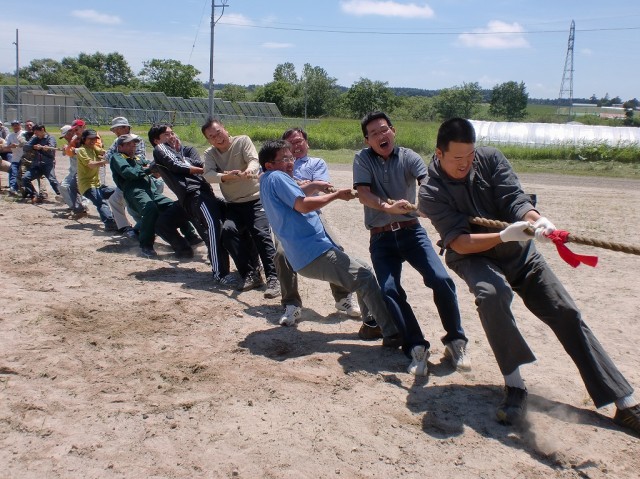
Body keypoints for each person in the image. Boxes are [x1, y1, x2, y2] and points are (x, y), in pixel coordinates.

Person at [418, 117, 640, 432]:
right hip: (472, 254)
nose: (466, 164)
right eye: (457, 159)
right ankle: (515, 387)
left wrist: (537, 220)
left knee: (565, 310)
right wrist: (502, 236)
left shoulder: (491, 159)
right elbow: (459, 241)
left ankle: (624, 400)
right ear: (439, 154)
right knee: (492, 294)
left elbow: (514, 199)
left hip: (519, 252)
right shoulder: (430, 191)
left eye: (470, 157)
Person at [353, 111, 469, 376]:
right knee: (390, 290)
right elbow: (363, 194)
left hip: (411, 232)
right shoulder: (362, 159)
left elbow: (425, 181)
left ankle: (455, 341)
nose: (381, 136)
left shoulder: (409, 157)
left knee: (441, 280)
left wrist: (428, 202)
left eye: (384, 130)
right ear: (366, 141)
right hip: (381, 237)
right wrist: (388, 207)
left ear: (393, 131)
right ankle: (416, 347)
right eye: (374, 134)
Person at [258, 139, 400, 344]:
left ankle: (371, 324)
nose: (290, 162)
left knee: (364, 269)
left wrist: (315, 185)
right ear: (270, 164)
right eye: (284, 159)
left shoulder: (267, 179)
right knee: (365, 277)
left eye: (290, 157)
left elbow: (294, 196)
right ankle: (391, 332)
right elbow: (302, 205)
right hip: (312, 252)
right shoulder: (278, 177)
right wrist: (335, 195)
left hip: (307, 253)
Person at [274, 127, 362, 326]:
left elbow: (320, 186)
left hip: (312, 213)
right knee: (281, 254)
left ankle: (342, 298)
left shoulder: (316, 163)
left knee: (335, 248)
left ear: (307, 143)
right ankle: (291, 304)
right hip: (286, 217)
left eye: (299, 141)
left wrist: (306, 184)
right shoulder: (280, 166)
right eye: (290, 143)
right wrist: (306, 184)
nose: (296, 146)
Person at [201, 118, 279, 296]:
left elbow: (253, 159)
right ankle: (250, 274)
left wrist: (250, 170)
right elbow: (208, 175)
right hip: (234, 204)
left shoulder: (242, 140)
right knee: (228, 233)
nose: (217, 138)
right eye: (212, 137)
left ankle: (274, 278)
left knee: (261, 233)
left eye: (218, 132)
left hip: (256, 199)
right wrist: (227, 176)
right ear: (209, 140)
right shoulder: (210, 153)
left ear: (225, 129)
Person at [149, 123, 232, 283]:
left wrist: (218, 172)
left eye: (172, 133)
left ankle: (239, 267)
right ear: (157, 140)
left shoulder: (181, 151)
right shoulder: (160, 149)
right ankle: (220, 273)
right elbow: (178, 165)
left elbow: (190, 163)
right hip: (193, 195)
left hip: (201, 194)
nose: (172, 136)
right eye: (167, 134)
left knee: (225, 223)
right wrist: (212, 172)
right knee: (213, 227)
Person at [110, 133, 193, 258]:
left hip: (150, 190)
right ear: (120, 147)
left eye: (133, 144)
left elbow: (152, 166)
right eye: (128, 144)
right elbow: (129, 173)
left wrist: (161, 159)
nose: (132, 146)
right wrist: (149, 169)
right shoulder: (117, 157)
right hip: (134, 191)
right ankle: (146, 245)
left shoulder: (137, 158)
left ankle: (190, 235)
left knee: (174, 206)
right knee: (151, 209)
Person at [76, 129, 118, 231]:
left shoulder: (93, 147)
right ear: (84, 139)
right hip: (87, 186)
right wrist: (106, 161)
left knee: (118, 192)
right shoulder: (81, 150)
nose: (93, 141)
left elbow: (104, 152)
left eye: (95, 138)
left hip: (97, 185)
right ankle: (110, 224)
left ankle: (116, 217)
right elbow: (90, 164)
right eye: (90, 139)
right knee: (101, 202)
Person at [21, 124, 61, 204]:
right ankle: (35, 195)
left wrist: (45, 148)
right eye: (35, 133)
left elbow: (51, 148)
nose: (36, 135)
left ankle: (62, 195)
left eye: (37, 133)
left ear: (42, 130)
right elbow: (25, 147)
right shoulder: (35, 139)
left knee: (52, 180)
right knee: (25, 178)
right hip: (37, 165)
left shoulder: (50, 138)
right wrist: (33, 146)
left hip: (47, 164)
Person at [58, 124, 88, 216]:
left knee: (83, 189)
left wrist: (70, 149)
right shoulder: (71, 142)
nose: (65, 138)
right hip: (73, 171)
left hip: (83, 171)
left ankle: (83, 206)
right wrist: (65, 148)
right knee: (63, 187)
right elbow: (65, 152)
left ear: (71, 132)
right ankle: (74, 206)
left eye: (65, 135)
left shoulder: (79, 139)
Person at [3, 120, 25, 196]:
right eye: (13, 125)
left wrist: (19, 145)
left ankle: (25, 190)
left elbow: (27, 144)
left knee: (23, 174)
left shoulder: (24, 133)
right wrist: (10, 146)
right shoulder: (10, 135)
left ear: (20, 125)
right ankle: (13, 188)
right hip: (15, 157)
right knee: (13, 171)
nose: (15, 127)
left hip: (25, 157)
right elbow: (4, 146)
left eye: (17, 125)